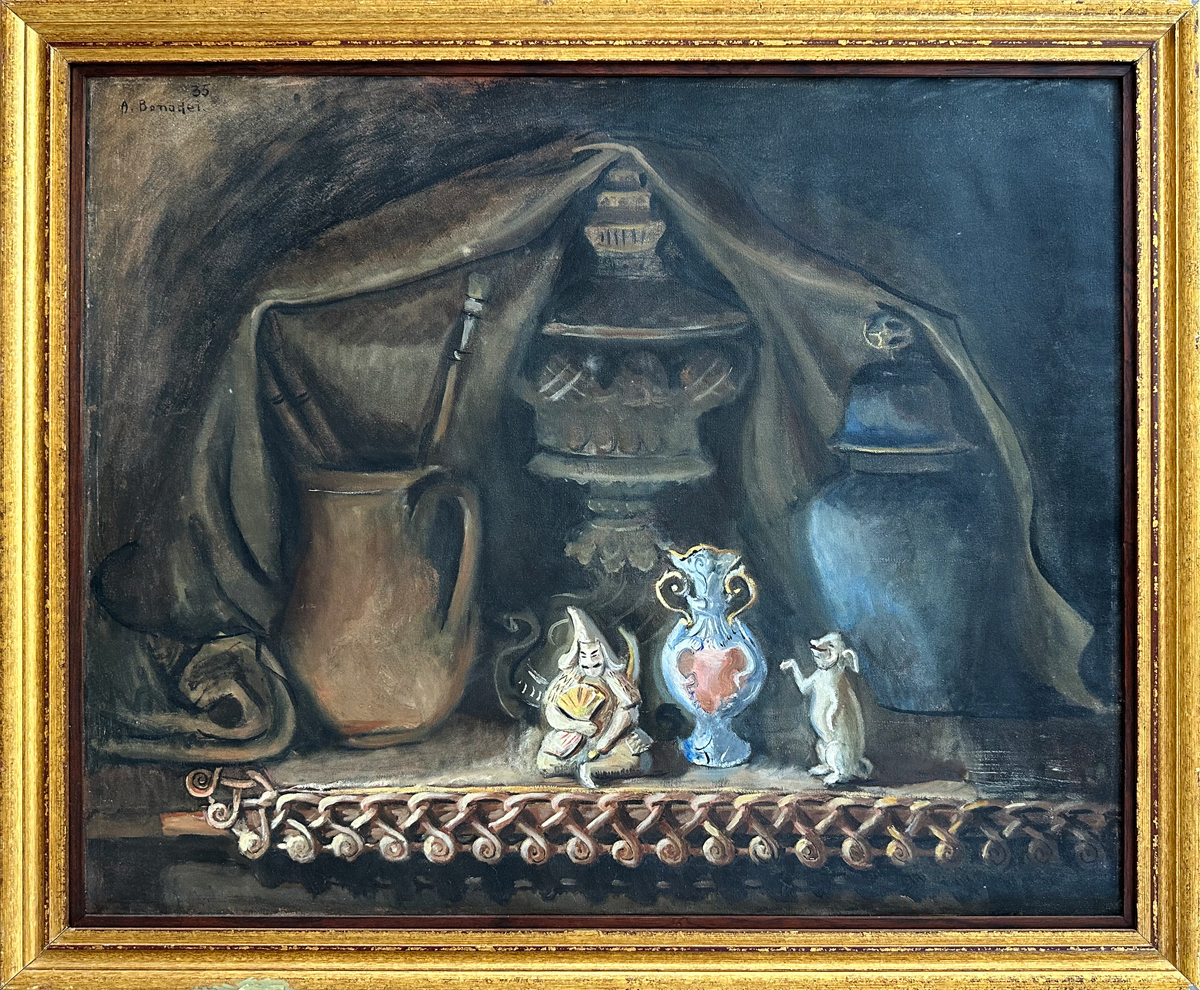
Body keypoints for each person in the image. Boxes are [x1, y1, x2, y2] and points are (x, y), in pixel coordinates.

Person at [537, 606, 652, 787]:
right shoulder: (569, 678)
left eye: (594, 655)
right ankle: (577, 767)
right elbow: (552, 711)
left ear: (605, 653)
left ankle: (593, 769)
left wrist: (605, 742)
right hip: (575, 740)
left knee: (637, 760)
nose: (590, 662)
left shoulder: (615, 680)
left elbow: (628, 711)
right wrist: (577, 726)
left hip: (612, 741)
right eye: (584, 655)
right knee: (545, 762)